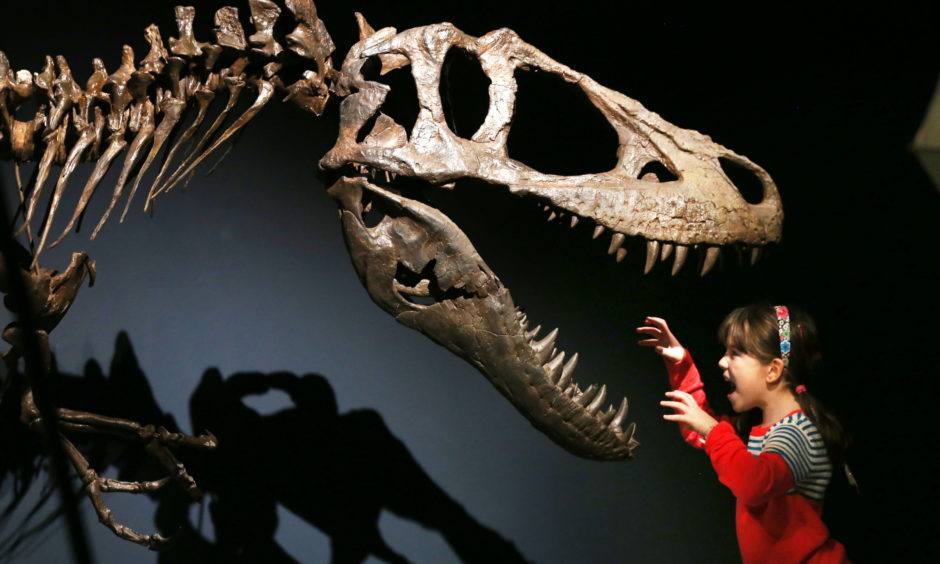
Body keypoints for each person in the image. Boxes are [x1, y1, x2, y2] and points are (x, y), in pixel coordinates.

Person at [637, 304, 850, 563]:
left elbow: (753, 483)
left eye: (735, 353)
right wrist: (681, 362)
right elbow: (703, 434)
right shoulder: (758, 431)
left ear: (772, 370)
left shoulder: (798, 432)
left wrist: (711, 429)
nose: (721, 362)